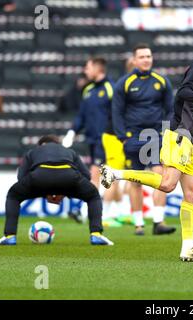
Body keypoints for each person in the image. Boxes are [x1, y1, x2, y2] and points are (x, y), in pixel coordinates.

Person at [101, 38, 193, 261]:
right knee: (167, 184)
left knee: (192, 194)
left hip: (189, 138)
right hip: (178, 135)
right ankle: (115, 174)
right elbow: (183, 93)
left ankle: (188, 246)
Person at [0, 135, 113, 246]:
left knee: (13, 195)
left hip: (40, 176)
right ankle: (96, 235)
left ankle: (10, 236)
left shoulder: (33, 152)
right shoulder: (69, 151)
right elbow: (86, 175)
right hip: (68, 176)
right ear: (58, 144)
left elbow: (21, 178)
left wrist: (44, 191)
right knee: (93, 196)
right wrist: (64, 191)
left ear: (40, 145)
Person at [112, 43, 176, 236]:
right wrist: (122, 137)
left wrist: (168, 133)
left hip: (156, 136)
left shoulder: (161, 81)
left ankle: (158, 221)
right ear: (134, 60)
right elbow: (116, 112)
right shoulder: (124, 83)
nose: (146, 59)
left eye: (148, 56)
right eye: (142, 57)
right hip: (133, 137)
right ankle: (139, 223)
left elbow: (171, 109)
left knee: (160, 177)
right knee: (135, 181)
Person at [62, 57, 127, 227]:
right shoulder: (88, 89)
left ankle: (89, 213)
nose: (85, 71)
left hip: (107, 140)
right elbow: (81, 115)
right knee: (104, 177)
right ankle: (121, 211)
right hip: (91, 140)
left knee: (100, 176)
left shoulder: (110, 88)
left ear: (98, 69)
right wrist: (72, 132)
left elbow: (119, 113)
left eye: (88, 67)